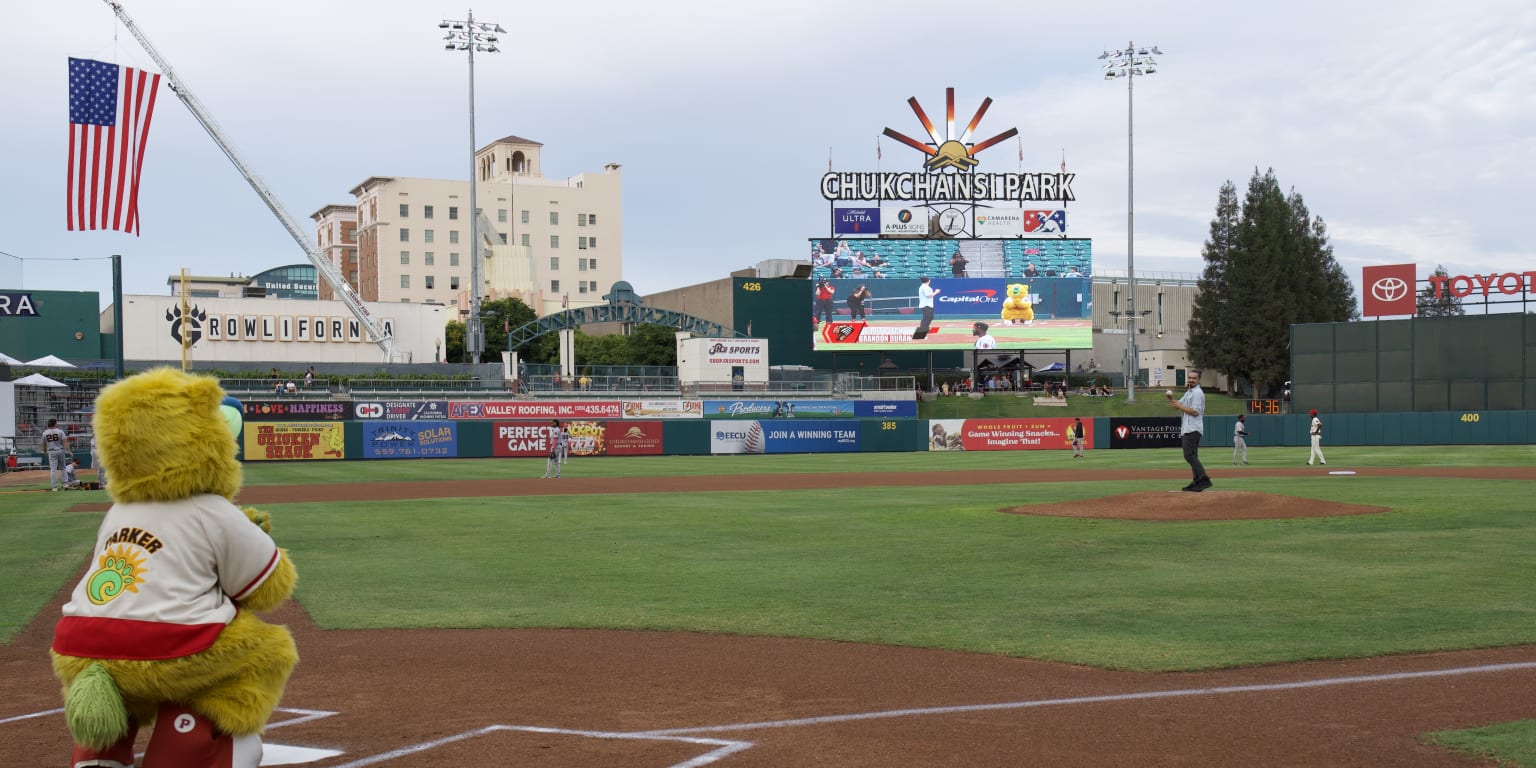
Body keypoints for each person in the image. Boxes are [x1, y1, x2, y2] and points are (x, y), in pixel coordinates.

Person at [1168, 370, 1212, 492]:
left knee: (1189, 455)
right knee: (1193, 456)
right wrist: (1170, 397)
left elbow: (1195, 411)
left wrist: (1179, 406)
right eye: (1190, 377)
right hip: (1188, 428)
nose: (1191, 380)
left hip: (1193, 428)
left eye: (1194, 378)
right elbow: (1179, 404)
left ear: (1199, 380)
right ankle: (1197, 481)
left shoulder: (1197, 393)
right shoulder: (1189, 392)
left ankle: (1204, 479)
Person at [41, 418, 70, 492]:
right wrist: (69, 451)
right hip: (60, 450)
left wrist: (45, 452)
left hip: (51, 451)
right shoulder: (60, 431)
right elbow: (65, 442)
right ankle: (65, 483)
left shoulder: (45, 433)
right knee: (63, 467)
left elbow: (44, 445)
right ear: (55, 424)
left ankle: (54, 487)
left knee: (53, 469)